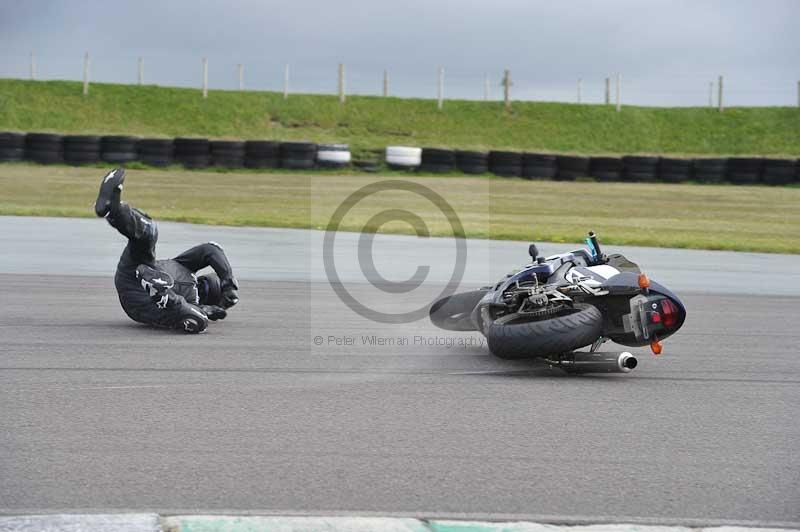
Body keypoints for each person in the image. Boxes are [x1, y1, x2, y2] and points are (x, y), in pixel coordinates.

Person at [95, 168, 239, 333]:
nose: (205, 285)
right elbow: (210, 249)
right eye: (205, 282)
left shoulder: (194, 306)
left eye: (209, 287)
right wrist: (228, 283)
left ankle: (161, 293)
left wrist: (204, 310)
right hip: (135, 272)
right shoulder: (185, 265)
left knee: (196, 320)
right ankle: (113, 210)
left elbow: (195, 320)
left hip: (142, 303)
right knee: (149, 234)